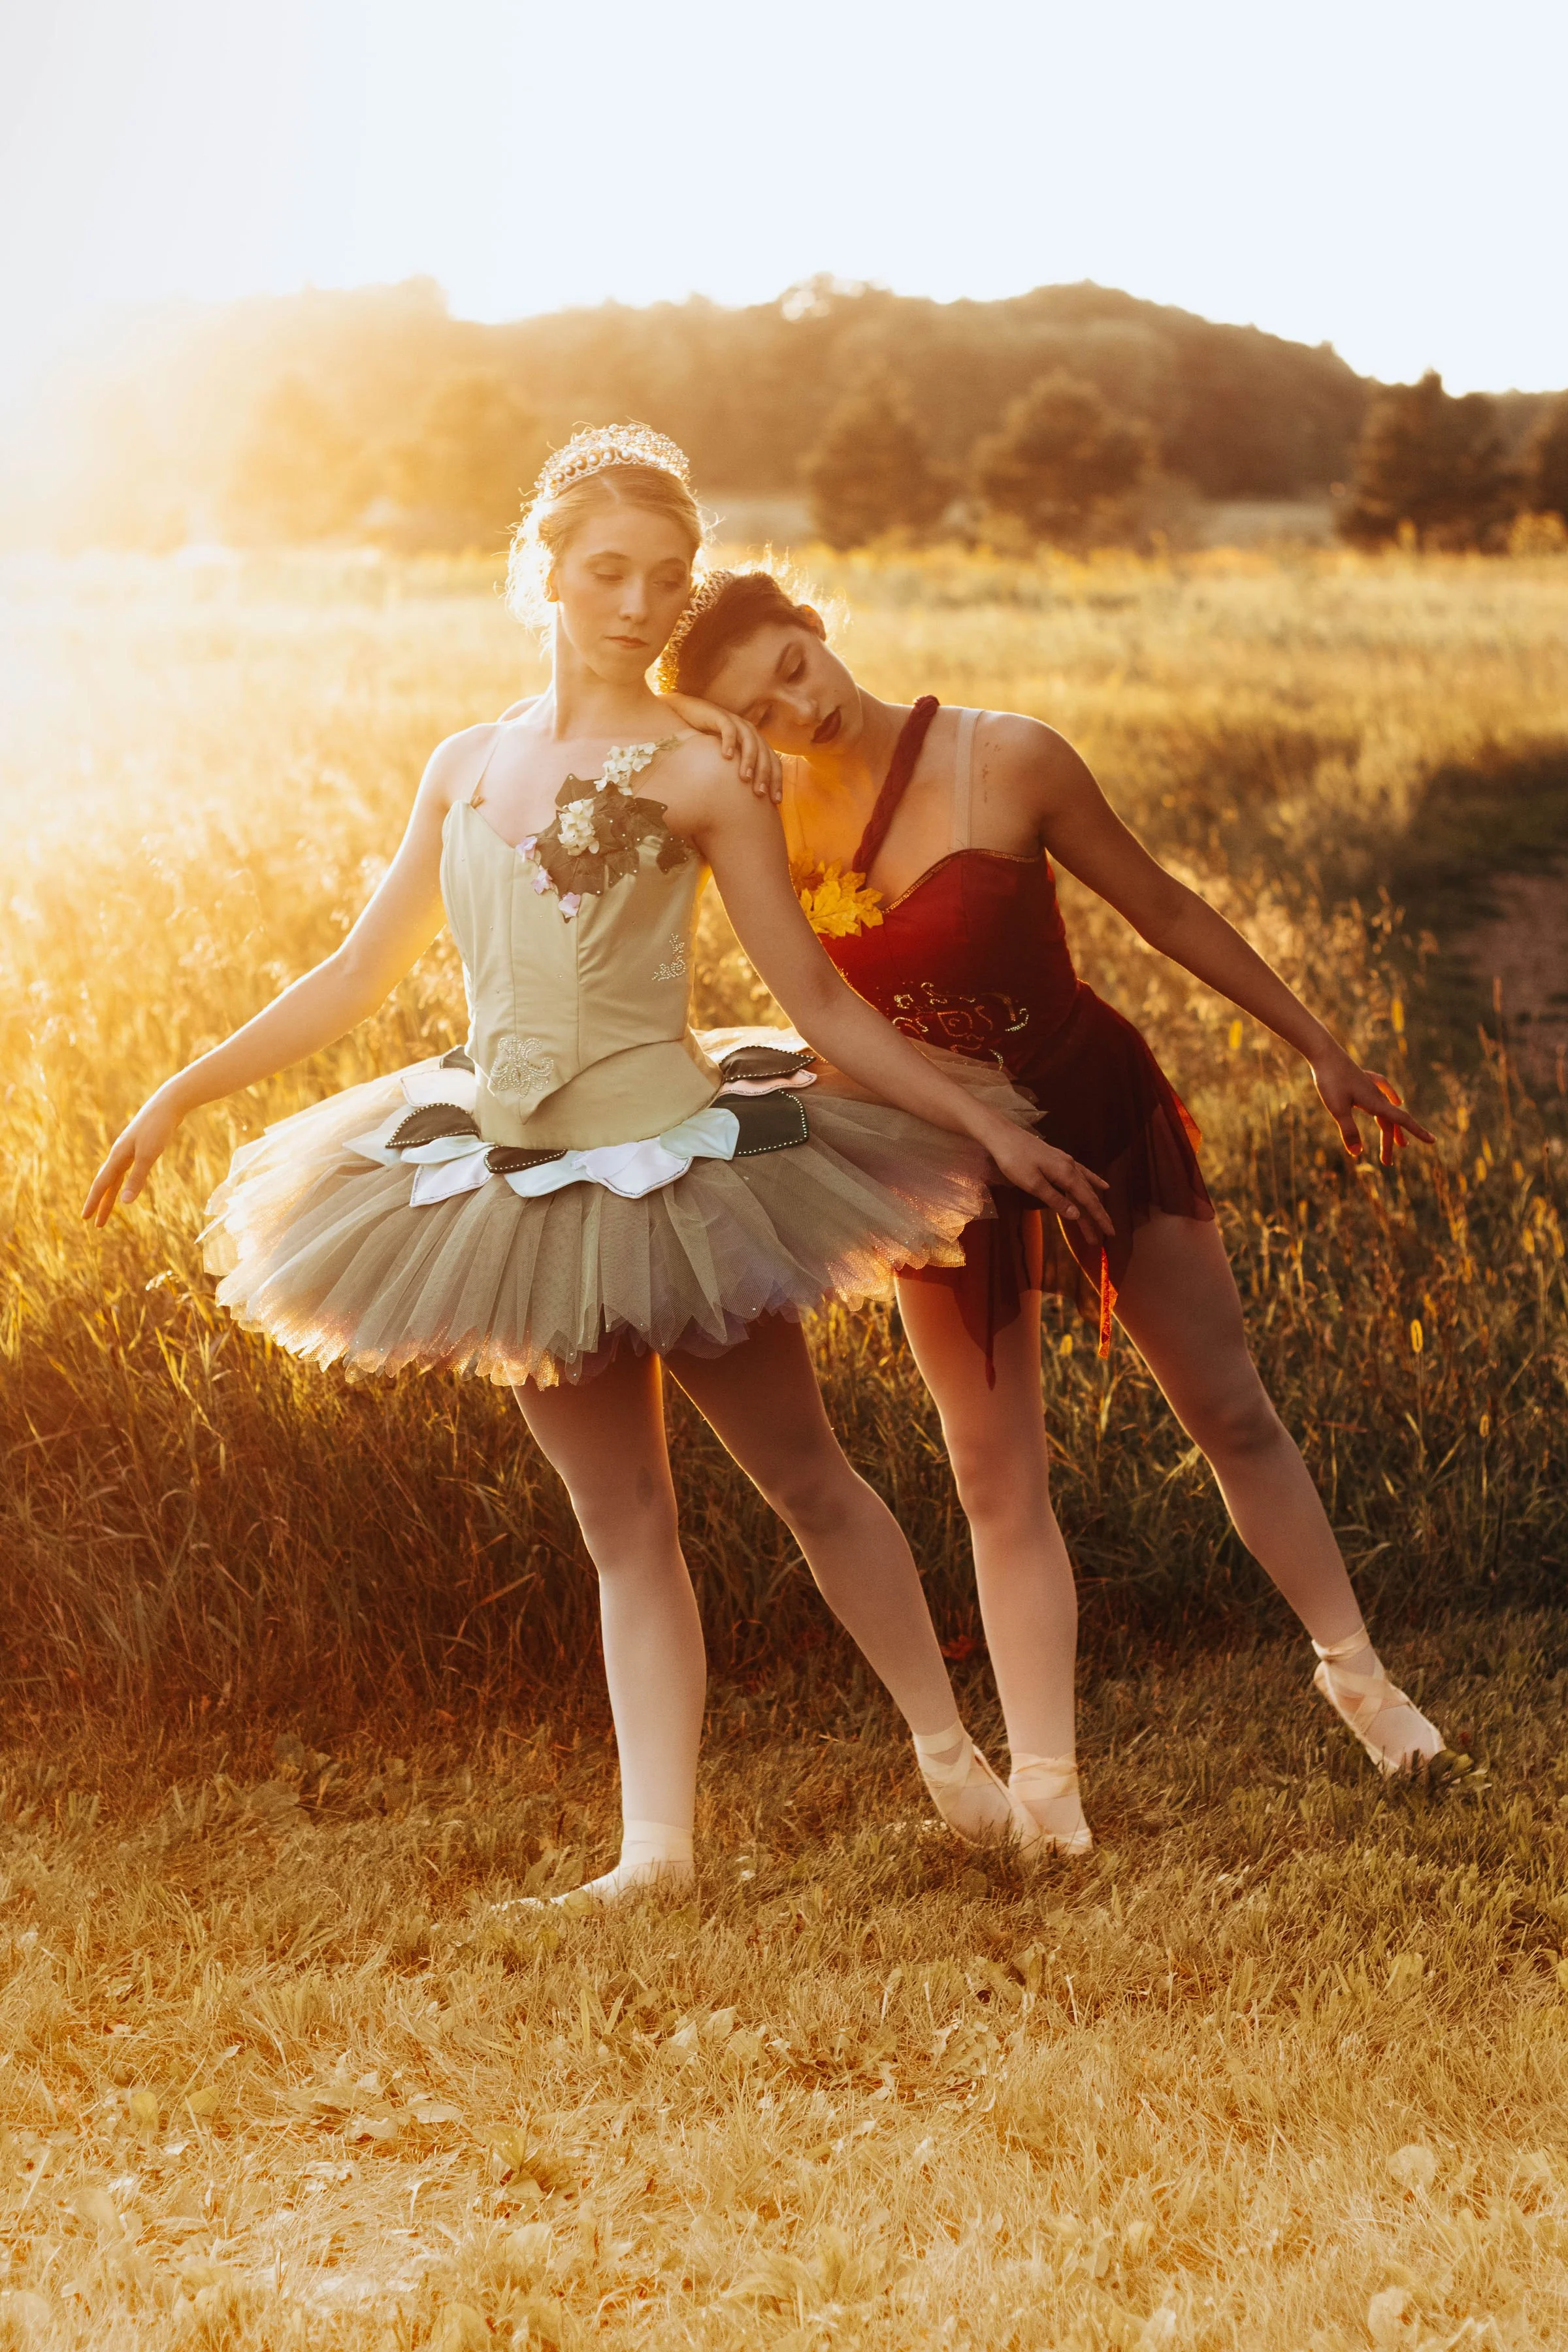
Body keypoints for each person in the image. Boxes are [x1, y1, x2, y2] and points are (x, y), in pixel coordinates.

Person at [83, 427, 1115, 1905]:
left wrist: (996, 1125)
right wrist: (182, 1091)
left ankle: (951, 1753)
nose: (638, 602)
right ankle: (658, 1855)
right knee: (621, 1522)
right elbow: (357, 974)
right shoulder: (463, 764)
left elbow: (818, 1003)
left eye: (668, 580)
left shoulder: (706, 770)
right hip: (510, 1185)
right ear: (545, 572)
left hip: (674, 1173)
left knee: (805, 1480)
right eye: (610, 572)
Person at [661, 568, 1446, 1851]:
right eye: (756, 707)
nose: (797, 708)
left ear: (817, 628)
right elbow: (808, 991)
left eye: (793, 665)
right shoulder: (756, 814)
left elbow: (1168, 906)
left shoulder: (1009, 756)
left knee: (1230, 1409)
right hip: (937, 1149)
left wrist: (1320, 1046)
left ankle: (1360, 1677)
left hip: (1089, 1110)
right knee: (993, 1474)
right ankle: (1049, 1798)